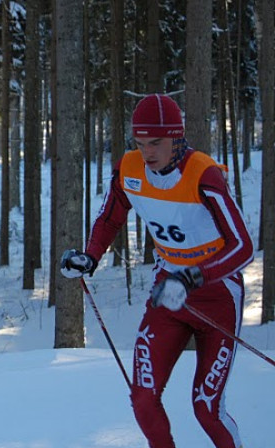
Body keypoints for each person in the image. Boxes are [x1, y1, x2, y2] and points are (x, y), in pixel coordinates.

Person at [60, 94, 253, 448]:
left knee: (206, 409)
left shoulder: (203, 174)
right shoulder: (129, 169)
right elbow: (109, 217)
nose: (148, 152)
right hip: (168, 294)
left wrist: (194, 276)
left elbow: (243, 246)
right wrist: (89, 257)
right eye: (140, 142)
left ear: (176, 138)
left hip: (217, 297)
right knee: (143, 399)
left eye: (157, 143)